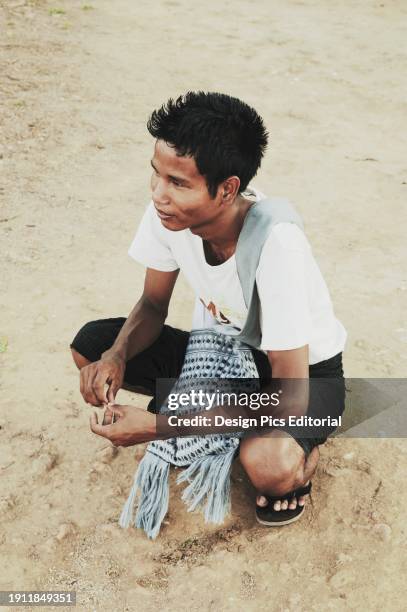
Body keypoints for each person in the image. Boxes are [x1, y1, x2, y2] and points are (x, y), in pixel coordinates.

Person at [70, 91, 347, 526]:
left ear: (227, 189)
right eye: (156, 176)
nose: (159, 195)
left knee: (268, 464)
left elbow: (291, 397)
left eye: (178, 183)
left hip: (301, 379)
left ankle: (296, 459)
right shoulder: (169, 215)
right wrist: (116, 357)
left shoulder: (277, 245)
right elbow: (152, 303)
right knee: (91, 346)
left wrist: (159, 426)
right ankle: (216, 419)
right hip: (221, 357)